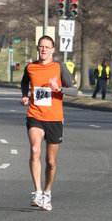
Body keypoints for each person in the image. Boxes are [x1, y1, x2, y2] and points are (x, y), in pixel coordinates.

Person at [20, 35, 78, 211]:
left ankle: (47, 192)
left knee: (51, 161)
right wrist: (24, 95)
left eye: (47, 47)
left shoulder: (59, 67)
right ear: (37, 49)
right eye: (41, 46)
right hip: (35, 114)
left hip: (54, 118)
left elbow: (75, 91)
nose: (43, 49)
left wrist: (59, 88)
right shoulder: (30, 67)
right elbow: (24, 81)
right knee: (35, 150)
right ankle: (37, 191)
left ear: (53, 50)